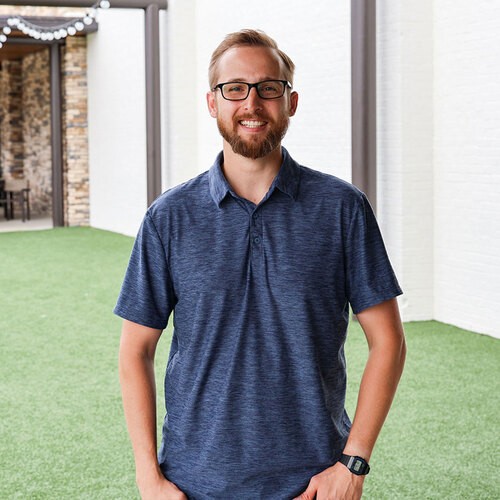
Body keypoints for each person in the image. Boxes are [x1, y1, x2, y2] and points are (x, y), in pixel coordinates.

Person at [116, 29, 406, 500]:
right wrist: (149, 478)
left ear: (291, 102)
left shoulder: (341, 208)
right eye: (234, 88)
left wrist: (352, 464)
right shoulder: (168, 217)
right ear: (212, 103)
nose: (251, 103)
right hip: (193, 484)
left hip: (312, 484)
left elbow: (388, 341)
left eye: (268, 88)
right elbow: (135, 351)